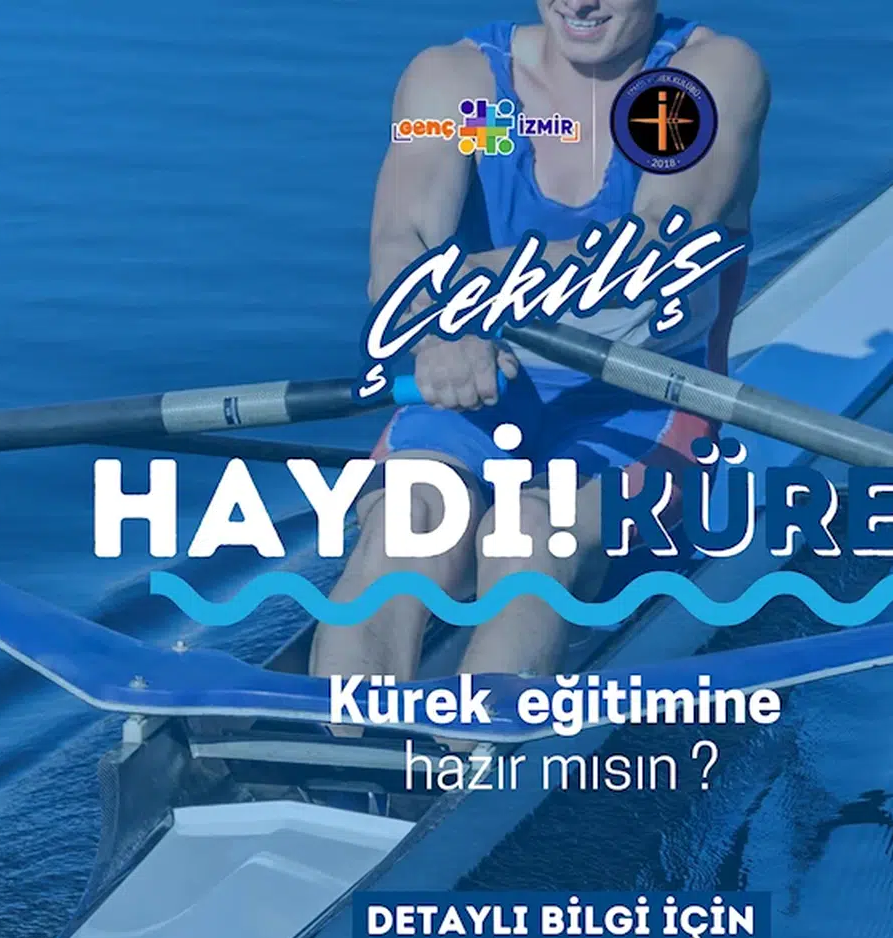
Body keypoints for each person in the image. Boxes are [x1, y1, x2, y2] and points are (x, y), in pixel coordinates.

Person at [310, 1, 769, 682]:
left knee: (528, 533)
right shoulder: (460, 88)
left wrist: (461, 285)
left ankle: (478, 737)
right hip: (478, 390)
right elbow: (401, 243)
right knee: (407, 526)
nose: (580, 2)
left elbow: (651, 244)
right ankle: (338, 740)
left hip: (641, 398)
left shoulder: (708, 76)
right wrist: (438, 328)